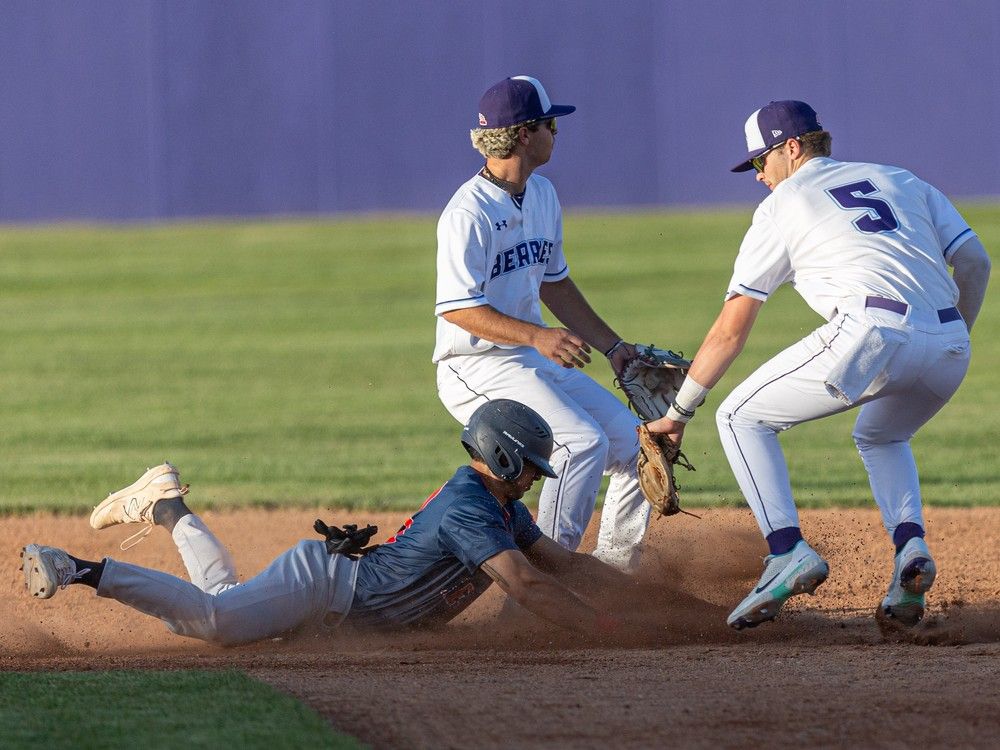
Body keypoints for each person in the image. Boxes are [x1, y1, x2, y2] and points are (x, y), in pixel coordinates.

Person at [647, 100, 991, 631]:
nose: (758, 174)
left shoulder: (784, 202)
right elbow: (975, 263)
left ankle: (786, 551)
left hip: (872, 333)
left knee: (739, 417)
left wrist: (679, 411)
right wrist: (950, 337)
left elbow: (730, 329)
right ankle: (910, 549)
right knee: (882, 437)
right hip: (949, 343)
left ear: (792, 147)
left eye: (761, 160)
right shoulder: (900, 178)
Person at [20, 400, 631, 646]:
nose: (534, 477)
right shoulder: (474, 507)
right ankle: (78, 569)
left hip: (333, 595)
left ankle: (166, 507)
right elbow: (525, 585)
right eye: (529, 466)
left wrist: (656, 602)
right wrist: (606, 627)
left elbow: (563, 565)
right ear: (501, 456)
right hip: (322, 588)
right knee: (214, 623)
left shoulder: (501, 504)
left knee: (222, 598)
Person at [434, 75, 648, 572]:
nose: (558, 131)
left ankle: (615, 574)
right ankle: (548, 581)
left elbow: (555, 284)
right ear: (526, 134)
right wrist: (538, 335)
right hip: (475, 362)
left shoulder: (543, 194)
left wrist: (613, 346)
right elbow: (457, 308)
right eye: (552, 123)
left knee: (639, 444)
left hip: (528, 357)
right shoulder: (467, 213)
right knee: (579, 443)